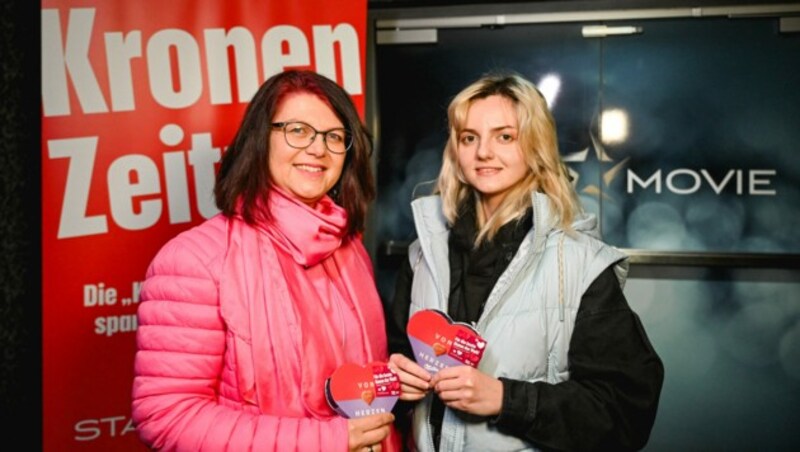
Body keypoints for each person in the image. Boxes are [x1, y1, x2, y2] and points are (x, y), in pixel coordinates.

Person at [386, 72, 664, 452]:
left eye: (505, 136)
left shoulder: (582, 264)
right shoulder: (423, 254)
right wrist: (399, 382)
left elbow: (624, 412)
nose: (483, 152)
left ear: (536, 146)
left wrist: (505, 399)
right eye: (470, 137)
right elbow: (397, 358)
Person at [132, 70, 399, 452]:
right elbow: (166, 416)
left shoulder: (348, 248)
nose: (318, 149)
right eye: (298, 130)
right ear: (260, 140)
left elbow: (360, 376)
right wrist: (328, 441)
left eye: (334, 137)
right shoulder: (195, 259)